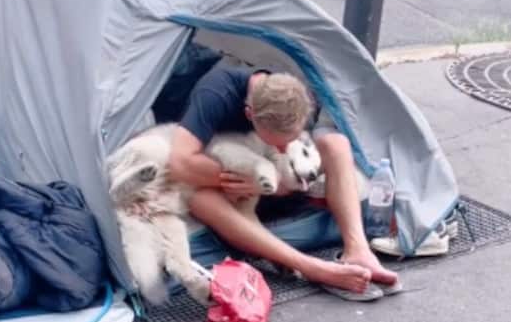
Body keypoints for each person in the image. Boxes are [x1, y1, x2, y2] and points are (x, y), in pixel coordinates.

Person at [166, 64, 399, 299]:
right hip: (237, 184)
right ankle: (311, 268)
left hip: (280, 185)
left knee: (336, 143)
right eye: (277, 142)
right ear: (250, 115)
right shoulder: (216, 92)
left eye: (290, 140)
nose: (283, 148)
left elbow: (309, 145)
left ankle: (357, 250)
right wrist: (250, 178)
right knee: (198, 197)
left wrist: (283, 177)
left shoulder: (295, 95)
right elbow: (179, 163)